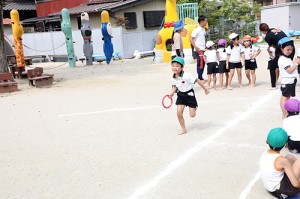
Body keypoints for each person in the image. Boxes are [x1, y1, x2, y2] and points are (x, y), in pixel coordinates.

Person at [168, 57, 209, 135]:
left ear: (182, 67)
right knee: (179, 112)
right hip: (180, 95)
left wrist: (205, 89)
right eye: (173, 66)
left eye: (177, 66)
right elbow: (175, 86)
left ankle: (194, 107)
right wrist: (171, 93)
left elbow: (197, 80)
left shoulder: (187, 75)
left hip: (190, 95)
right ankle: (183, 129)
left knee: (192, 115)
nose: (174, 68)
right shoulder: (173, 77)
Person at [260, 128, 300, 198]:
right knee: (299, 162)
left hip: (270, 185)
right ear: (285, 144)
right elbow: (296, 184)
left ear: (267, 141)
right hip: (279, 190)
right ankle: (284, 194)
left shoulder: (265, 153)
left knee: (289, 157)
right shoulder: (282, 161)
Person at [276, 37, 300, 118]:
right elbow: (289, 70)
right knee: (284, 98)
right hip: (287, 82)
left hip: (290, 81)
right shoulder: (282, 59)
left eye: (291, 49)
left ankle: (286, 113)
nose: (290, 51)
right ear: (281, 48)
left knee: (287, 98)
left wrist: (295, 62)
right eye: (288, 49)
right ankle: (285, 114)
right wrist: (296, 64)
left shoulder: (286, 58)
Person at [260, 23, 287, 89]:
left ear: (262, 31)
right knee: (286, 65)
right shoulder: (273, 29)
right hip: (290, 45)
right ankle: (289, 82)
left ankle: (273, 85)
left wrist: (270, 51)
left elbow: (273, 46)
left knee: (272, 67)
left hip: (283, 48)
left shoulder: (267, 37)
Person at [190, 15, 208, 82]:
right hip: (198, 49)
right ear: (201, 22)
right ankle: (200, 78)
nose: (206, 22)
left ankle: (201, 77)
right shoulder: (196, 30)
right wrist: (195, 47)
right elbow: (191, 39)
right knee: (200, 63)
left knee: (202, 63)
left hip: (202, 49)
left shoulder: (203, 29)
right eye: (205, 21)